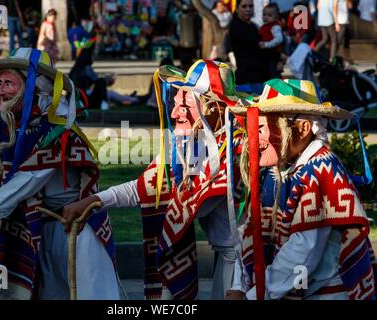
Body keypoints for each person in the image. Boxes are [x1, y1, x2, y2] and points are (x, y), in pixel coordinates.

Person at [62, 60, 244, 300]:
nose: (174, 112)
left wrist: (240, 285)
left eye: (187, 104)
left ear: (214, 108)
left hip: (246, 264)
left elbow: (248, 228)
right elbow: (145, 187)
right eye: (176, 102)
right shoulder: (190, 144)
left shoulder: (237, 149)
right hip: (227, 260)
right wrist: (92, 200)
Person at [0, 48, 120, 300]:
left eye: (9, 83)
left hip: (75, 231)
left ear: (33, 87)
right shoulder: (3, 128)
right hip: (34, 228)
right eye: (0, 83)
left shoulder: (57, 128)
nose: (1, 90)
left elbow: (28, 179)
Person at [227, 79, 377, 300]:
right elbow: (250, 230)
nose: (253, 138)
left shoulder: (322, 171)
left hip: (327, 293)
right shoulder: (275, 169)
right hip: (291, 286)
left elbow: (303, 253)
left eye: (262, 128)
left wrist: (253, 295)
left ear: (303, 128)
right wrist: (240, 284)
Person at [69, 33, 138, 110]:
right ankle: (129, 99)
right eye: (93, 55)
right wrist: (107, 79)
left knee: (108, 91)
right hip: (85, 100)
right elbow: (98, 82)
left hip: (78, 100)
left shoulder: (75, 68)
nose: (94, 57)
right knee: (103, 84)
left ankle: (128, 98)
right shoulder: (87, 68)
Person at [228, 0, 269, 85]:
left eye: (251, 6)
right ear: (237, 8)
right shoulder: (236, 26)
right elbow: (258, 46)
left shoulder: (253, 26)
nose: (248, 9)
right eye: (244, 6)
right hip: (247, 78)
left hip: (260, 75)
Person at [258, 3, 284, 78]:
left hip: (273, 54)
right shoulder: (264, 26)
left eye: (269, 15)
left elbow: (279, 39)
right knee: (267, 71)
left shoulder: (275, 27)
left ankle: (276, 87)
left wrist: (266, 44)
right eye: (264, 14)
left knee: (273, 72)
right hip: (266, 54)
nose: (266, 17)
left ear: (276, 17)